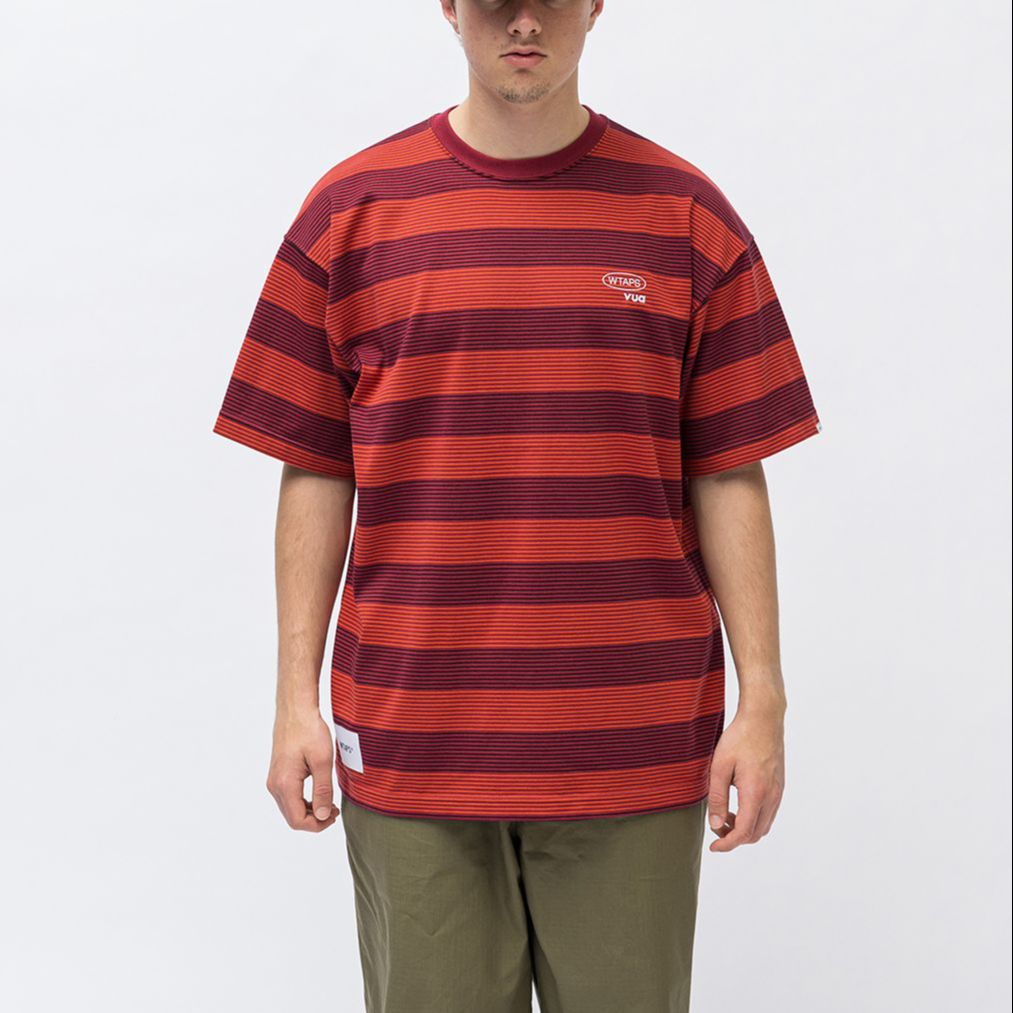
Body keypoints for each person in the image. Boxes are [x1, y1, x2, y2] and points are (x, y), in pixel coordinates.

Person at [211, 2, 823, 1010]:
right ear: (450, 7)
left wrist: (763, 702)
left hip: (631, 738)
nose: (525, 21)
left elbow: (727, 468)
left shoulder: (686, 216)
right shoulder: (348, 214)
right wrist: (292, 700)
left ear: (596, 5)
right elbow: (315, 465)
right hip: (413, 738)